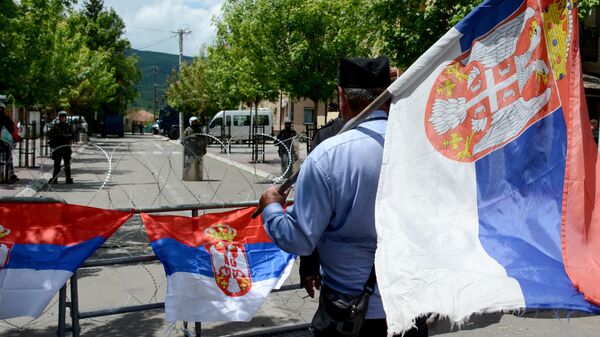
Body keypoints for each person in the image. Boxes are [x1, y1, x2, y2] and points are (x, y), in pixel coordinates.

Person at [258, 57, 428, 337]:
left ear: (342, 97)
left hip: (348, 314)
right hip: (410, 308)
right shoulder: (422, 148)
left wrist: (272, 208)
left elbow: (299, 239)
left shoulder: (328, 156)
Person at [48, 111, 74, 184]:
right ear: (59, 118)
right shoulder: (55, 126)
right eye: (61, 117)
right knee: (57, 164)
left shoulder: (68, 126)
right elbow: (50, 135)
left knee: (67, 164)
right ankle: (55, 179)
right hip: (58, 147)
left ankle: (68, 179)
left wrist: (66, 136)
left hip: (66, 147)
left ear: (65, 118)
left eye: (64, 117)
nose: (62, 118)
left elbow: (72, 135)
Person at [0, 103, 18, 183]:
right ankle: (9, 175)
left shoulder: (7, 118)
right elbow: (12, 129)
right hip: (5, 142)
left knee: (6, 158)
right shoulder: (6, 118)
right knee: (8, 158)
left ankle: (6, 175)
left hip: (4, 142)